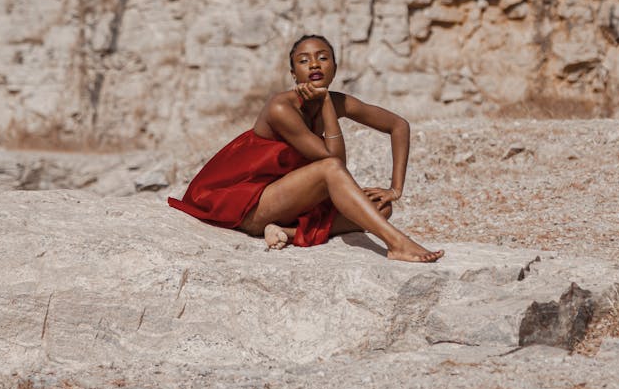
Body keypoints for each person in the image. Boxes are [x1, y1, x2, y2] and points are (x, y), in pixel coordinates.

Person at [168, 34, 444, 263]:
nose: (314, 64)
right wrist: (325, 104)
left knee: (380, 209)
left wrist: (395, 189)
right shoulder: (281, 107)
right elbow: (334, 163)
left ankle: (286, 233)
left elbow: (398, 125)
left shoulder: (338, 101)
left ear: (335, 68)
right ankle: (396, 243)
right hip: (248, 206)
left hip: (286, 203)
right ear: (293, 73)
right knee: (330, 170)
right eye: (304, 60)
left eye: (323, 58)